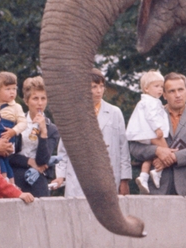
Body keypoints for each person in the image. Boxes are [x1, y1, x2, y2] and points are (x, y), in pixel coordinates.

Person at [127, 72, 186, 196]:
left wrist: (171, 158)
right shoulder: (150, 114)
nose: (177, 95)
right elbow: (134, 148)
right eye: (171, 91)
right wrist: (158, 151)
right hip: (153, 189)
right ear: (164, 95)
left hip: (184, 188)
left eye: (180, 90)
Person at [53, 70, 132, 198]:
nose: (98, 91)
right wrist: (60, 176)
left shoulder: (114, 112)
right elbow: (63, 150)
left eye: (101, 86)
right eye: (94, 87)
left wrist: (124, 179)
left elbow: (123, 148)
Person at [8, 76, 57, 194]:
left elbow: (42, 161)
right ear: (26, 101)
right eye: (35, 98)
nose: (40, 103)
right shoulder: (16, 123)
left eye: (43, 98)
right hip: (16, 175)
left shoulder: (52, 129)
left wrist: (43, 132)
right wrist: (28, 161)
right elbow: (8, 156)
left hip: (38, 178)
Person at [125, 70, 171, 193]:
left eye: (161, 87)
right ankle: (157, 172)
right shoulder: (150, 102)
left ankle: (144, 176)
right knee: (167, 151)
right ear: (146, 88)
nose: (160, 89)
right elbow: (151, 116)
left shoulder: (149, 101)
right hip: (151, 132)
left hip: (145, 133)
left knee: (150, 156)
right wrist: (157, 128)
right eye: (156, 86)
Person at [0, 71, 29, 178]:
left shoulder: (16, 107)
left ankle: (5, 179)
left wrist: (13, 131)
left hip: (6, 134)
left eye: (14, 89)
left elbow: (23, 123)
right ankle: (7, 180)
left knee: (3, 158)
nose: (12, 92)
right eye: (8, 89)